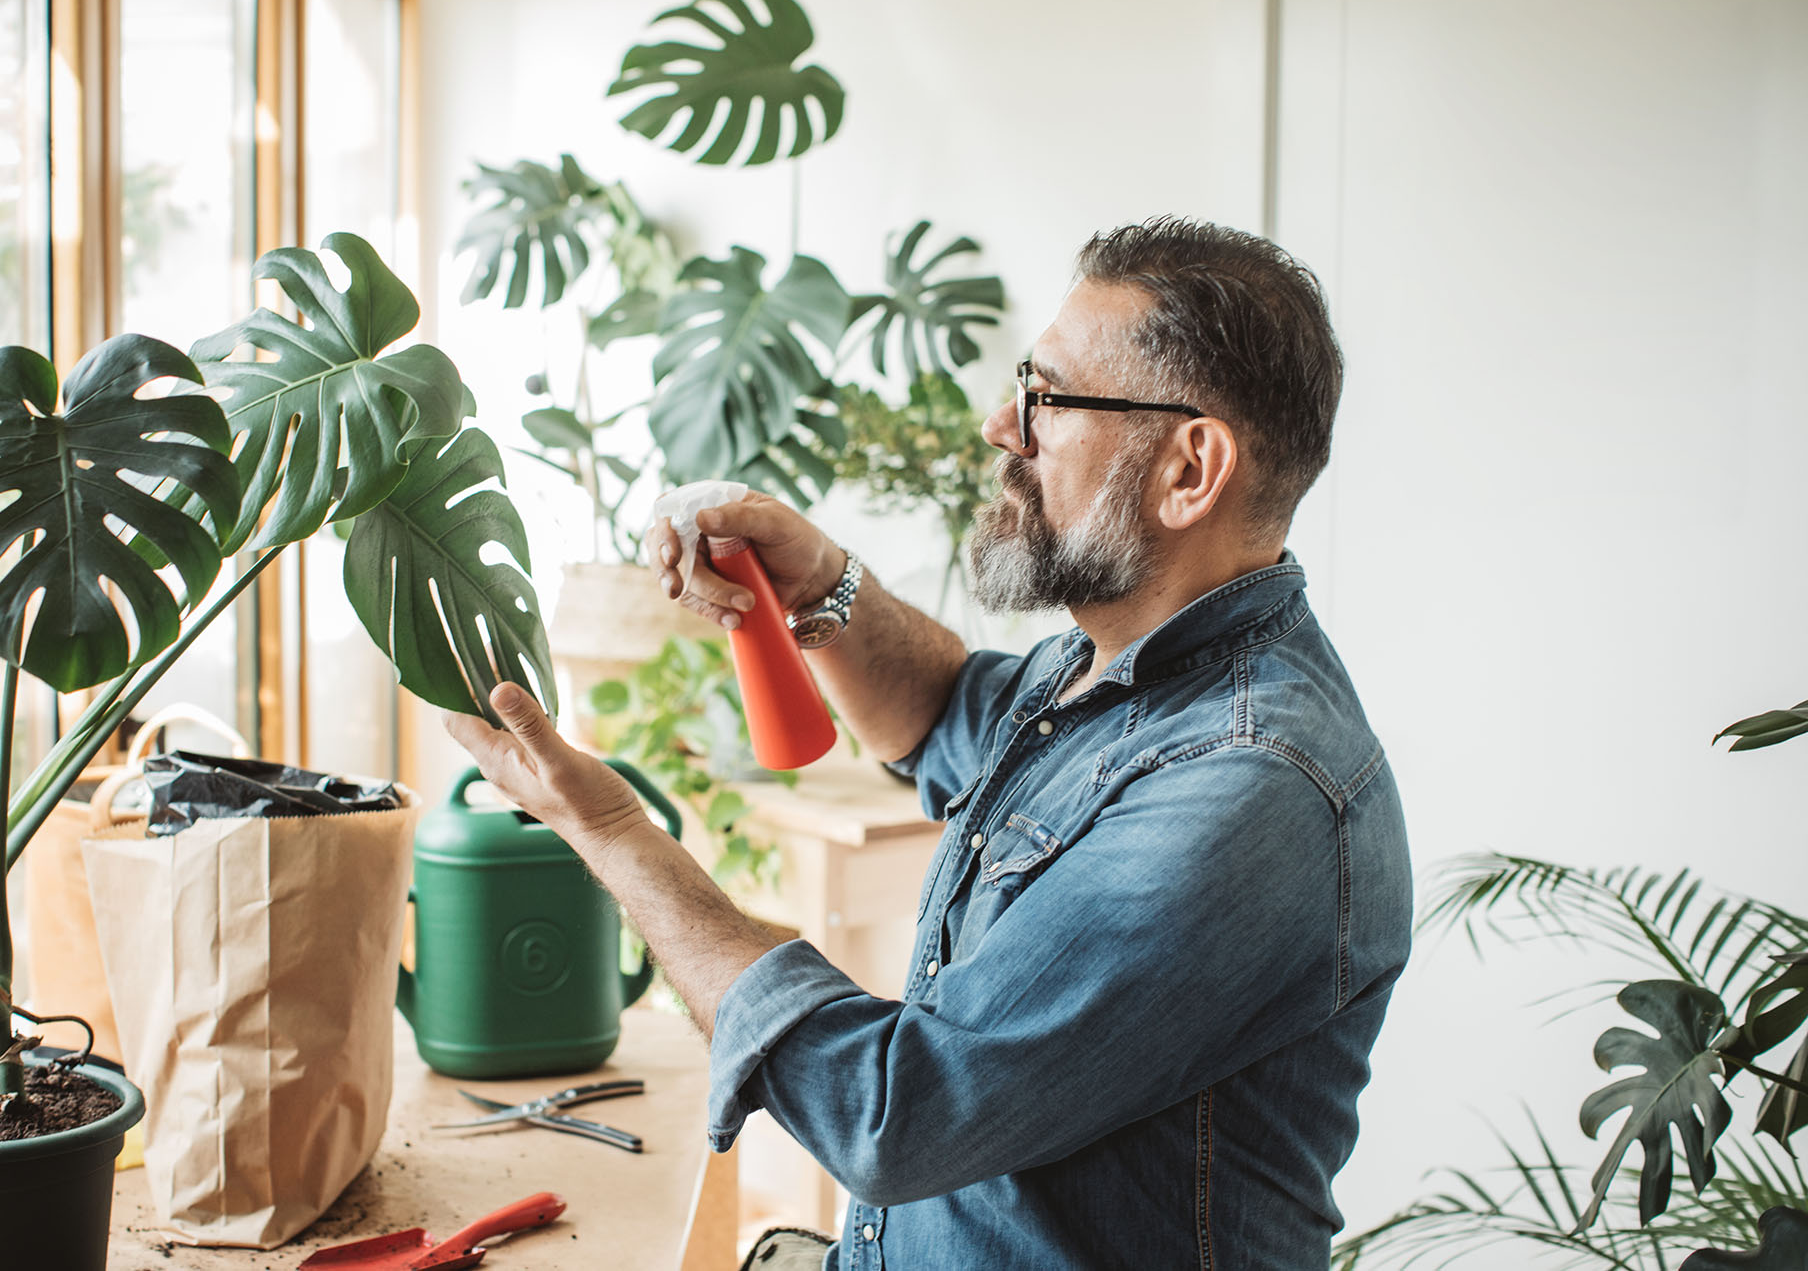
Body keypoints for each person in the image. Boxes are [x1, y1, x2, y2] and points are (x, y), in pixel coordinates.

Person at [444, 216, 1413, 1269]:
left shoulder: (1245, 789)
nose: (1003, 424)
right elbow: (948, 710)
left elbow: (894, 1111)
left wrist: (609, 828)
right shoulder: (1107, 669)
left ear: (1189, 470)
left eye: (1048, 396)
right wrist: (821, 585)